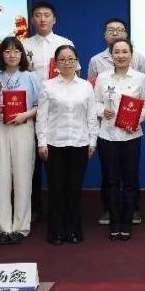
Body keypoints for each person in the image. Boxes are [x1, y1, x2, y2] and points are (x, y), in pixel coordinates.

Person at [88, 17, 145, 227]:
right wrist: (101, 110)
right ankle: (114, 219)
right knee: (111, 178)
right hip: (107, 134)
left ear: (131, 55)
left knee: (130, 179)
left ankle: (129, 217)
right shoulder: (102, 77)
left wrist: (137, 120)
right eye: (117, 52)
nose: (121, 55)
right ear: (111, 56)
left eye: (125, 52)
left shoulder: (141, 78)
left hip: (132, 134)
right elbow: (94, 102)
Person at [36, 45, 98, 245]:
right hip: (54, 143)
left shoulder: (86, 86)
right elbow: (42, 117)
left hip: (80, 143)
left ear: (77, 61)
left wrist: (92, 141)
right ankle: (56, 231)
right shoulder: (48, 86)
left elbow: (91, 117)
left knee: (74, 189)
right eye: (62, 59)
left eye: (71, 59)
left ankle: (74, 230)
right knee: (56, 189)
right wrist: (41, 142)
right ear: (56, 63)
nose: (67, 63)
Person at [0, 36, 41, 245]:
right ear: (1, 55)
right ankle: (3, 228)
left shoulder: (31, 77)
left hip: (23, 127)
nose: (12, 55)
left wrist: (25, 115)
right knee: (0, 177)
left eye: (16, 51)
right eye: (7, 51)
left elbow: (40, 105)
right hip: (0, 127)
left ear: (22, 54)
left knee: (23, 177)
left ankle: (21, 227)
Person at [23, 1, 75, 223]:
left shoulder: (65, 43)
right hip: (29, 110)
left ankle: (61, 207)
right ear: (32, 19)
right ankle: (34, 207)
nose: (42, 19)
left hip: (59, 111)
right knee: (32, 163)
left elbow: (74, 75)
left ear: (55, 19)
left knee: (59, 163)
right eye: (38, 15)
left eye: (47, 15)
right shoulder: (24, 45)